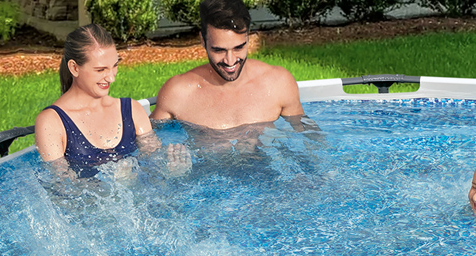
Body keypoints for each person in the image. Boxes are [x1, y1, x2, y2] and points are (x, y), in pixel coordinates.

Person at [35, 24, 188, 180]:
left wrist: (171, 172)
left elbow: (155, 166)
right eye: (100, 70)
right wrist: (116, 186)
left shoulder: (132, 110)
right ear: (74, 68)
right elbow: (62, 186)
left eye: (114, 66)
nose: (111, 78)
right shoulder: (51, 122)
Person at [150, 0, 316, 136]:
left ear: (248, 38)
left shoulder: (278, 83)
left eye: (238, 48)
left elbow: (312, 139)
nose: (230, 61)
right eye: (219, 50)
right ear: (202, 41)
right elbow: (145, 146)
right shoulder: (178, 93)